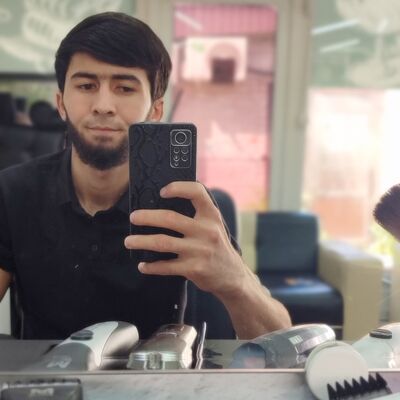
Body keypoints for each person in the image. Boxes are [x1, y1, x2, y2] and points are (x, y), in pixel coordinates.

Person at [0, 12, 291, 340]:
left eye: (125, 88)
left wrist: (236, 280)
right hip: (45, 373)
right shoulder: (13, 192)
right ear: (61, 102)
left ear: (155, 110)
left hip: (156, 371)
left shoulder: (187, 204)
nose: (103, 105)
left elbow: (279, 344)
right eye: (86, 86)